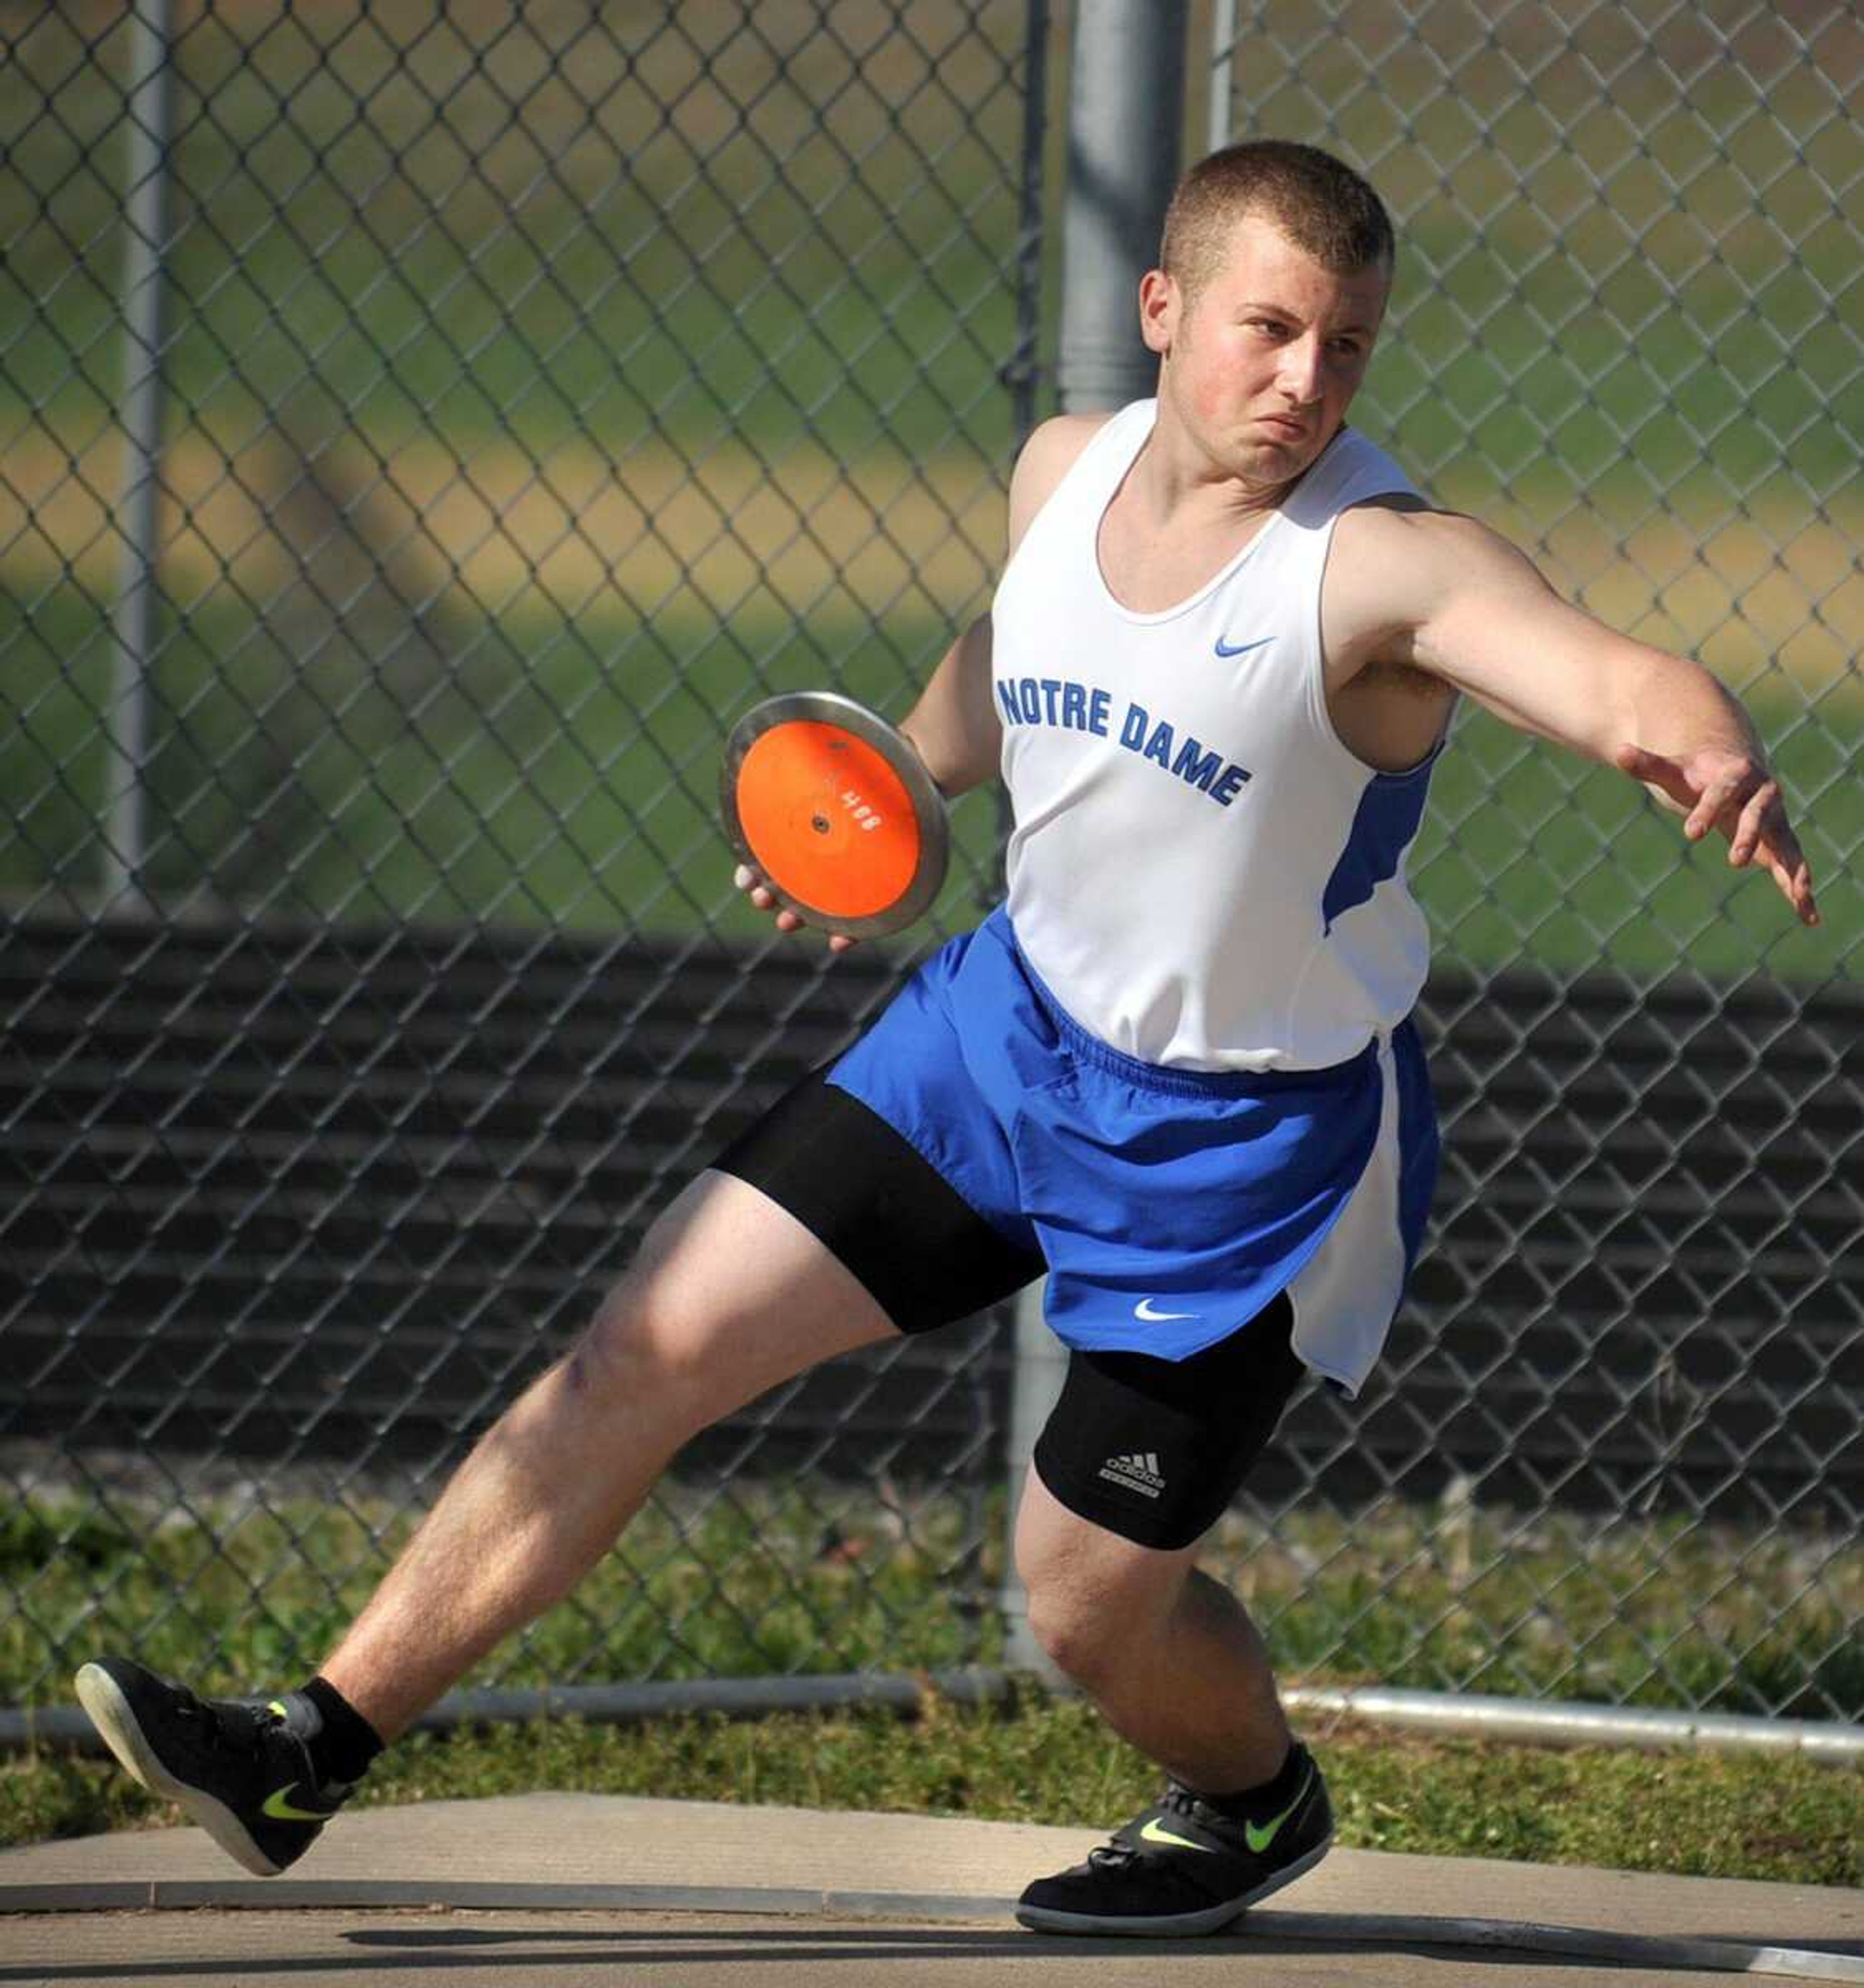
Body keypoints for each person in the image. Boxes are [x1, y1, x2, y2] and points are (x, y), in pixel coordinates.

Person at [75, 140, 1817, 1938]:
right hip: (997, 1041)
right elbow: (1012, 661)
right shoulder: (1063, 472)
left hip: (1237, 1148)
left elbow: (1597, 667)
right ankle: (305, 1746)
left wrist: (1702, 743)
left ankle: (1249, 1798)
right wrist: (892, 787)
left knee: (1077, 1606)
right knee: (644, 1347)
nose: (1308, 379)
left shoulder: (1377, 570)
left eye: (1349, 344)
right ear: (1164, 311)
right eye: (1272, 328)